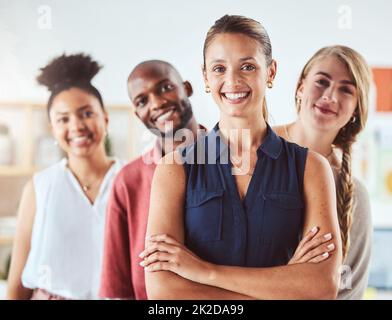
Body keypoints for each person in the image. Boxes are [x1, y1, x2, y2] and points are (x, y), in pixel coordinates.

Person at [141, 14, 342, 300]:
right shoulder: (175, 169)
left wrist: (203, 271)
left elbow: (321, 287)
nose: (232, 81)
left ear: (270, 72)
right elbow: (164, 292)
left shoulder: (311, 169)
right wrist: (284, 287)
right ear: (206, 77)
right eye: (219, 68)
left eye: (247, 66)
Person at [7, 53, 122, 300]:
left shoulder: (130, 179)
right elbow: (16, 285)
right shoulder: (40, 187)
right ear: (53, 128)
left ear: (105, 118)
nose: (76, 126)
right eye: (63, 119)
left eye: (86, 113)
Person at [99, 60, 206, 299]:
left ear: (187, 88)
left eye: (166, 87)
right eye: (142, 101)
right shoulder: (128, 181)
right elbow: (118, 287)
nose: (157, 103)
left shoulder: (232, 160)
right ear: (138, 115)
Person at [272, 45, 372, 299]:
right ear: (300, 87)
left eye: (346, 89)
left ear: (356, 110)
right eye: (322, 81)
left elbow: (348, 292)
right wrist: (291, 277)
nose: (330, 96)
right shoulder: (252, 148)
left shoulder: (354, 196)